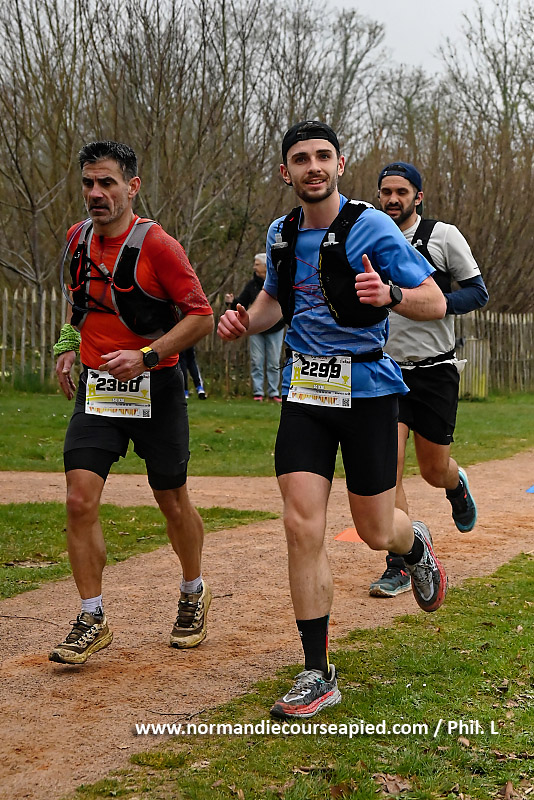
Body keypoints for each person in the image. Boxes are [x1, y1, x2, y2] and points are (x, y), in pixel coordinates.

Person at [218, 121, 448, 719]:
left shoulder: (370, 225)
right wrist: (245, 321)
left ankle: (414, 544)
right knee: (302, 526)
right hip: (306, 394)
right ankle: (317, 672)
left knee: (377, 530)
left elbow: (434, 299)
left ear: (340, 164)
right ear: (285, 172)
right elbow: (274, 302)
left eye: (323, 156)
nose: (313, 167)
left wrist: (391, 297)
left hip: (368, 392)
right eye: (301, 159)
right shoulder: (281, 233)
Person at [50, 140, 214, 665]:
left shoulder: (159, 246)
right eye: (88, 183)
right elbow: (79, 304)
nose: (96, 193)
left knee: (172, 500)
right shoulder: (77, 239)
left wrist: (147, 356)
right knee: (79, 499)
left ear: (132, 187)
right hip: (99, 390)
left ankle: (193, 590)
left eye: (107, 183)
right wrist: (67, 346)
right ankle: (91, 615)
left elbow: (201, 317)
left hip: (155, 388)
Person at [369, 162, 489, 599]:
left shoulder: (442, 236)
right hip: (386, 371)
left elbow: (477, 291)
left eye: (401, 191)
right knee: (389, 468)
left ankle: (456, 487)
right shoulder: (369, 236)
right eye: (386, 191)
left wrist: (435, 305)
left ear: (418, 197)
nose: (392, 199)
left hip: (435, 369)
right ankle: (401, 561)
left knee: (434, 470)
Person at [225, 253, 285, 401]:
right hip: (256, 329)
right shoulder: (251, 285)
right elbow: (242, 303)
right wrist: (232, 302)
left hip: (276, 329)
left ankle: (273, 393)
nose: (254, 267)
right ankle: (258, 392)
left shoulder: (278, 282)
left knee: (273, 362)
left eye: (257, 264)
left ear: (265, 266)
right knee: (256, 361)